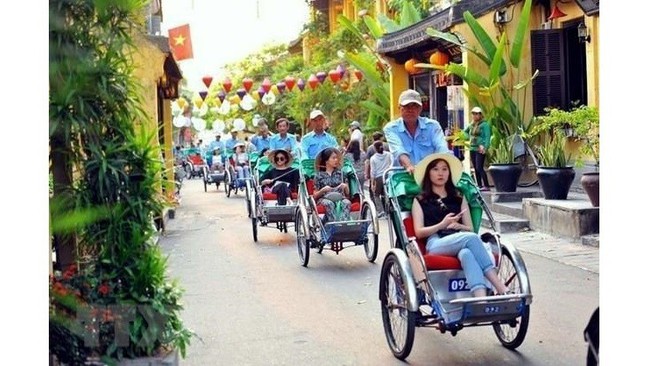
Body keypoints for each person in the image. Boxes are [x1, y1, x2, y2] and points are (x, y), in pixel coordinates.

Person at [411, 153, 509, 297]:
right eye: (435, 169)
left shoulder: (459, 197)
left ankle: (480, 298)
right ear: (428, 173)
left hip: (460, 240)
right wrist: (442, 224)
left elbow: (469, 229)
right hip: (435, 242)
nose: (440, 173)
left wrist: (458, 226)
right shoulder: (420, 200)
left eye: (445, 169)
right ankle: (499, 286)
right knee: (470, 238)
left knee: (467, 253)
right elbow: (419, 232)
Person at [383, 89, 451, 173]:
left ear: (420, 109)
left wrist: (446, 164)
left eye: (414, 106)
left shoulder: (433, 126)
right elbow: (398, 150)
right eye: (406, 106)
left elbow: (442, 148)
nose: (410, 110)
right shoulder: (391, 128)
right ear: (399, 108)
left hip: (429, 175)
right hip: (402, 175)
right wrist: (408, 166)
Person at [313, 147, 351, 223]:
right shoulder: (319, 175)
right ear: (326, 161)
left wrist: (345, 187)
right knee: (329, 203)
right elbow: (315, 195)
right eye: (333, 158)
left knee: (347, 203)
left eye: (337, 158)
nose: (336, 160)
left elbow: (347, 193)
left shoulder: (342, 174)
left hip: (340, 197)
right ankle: (333, 226)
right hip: (324, 198)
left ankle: (344, 225)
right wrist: (322, 190)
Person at [464, 106, 491, 191]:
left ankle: (486, 185)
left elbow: (487, 137)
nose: (474, 116)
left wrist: (485, 147)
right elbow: (465, 132)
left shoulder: (485, 125)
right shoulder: (471, 125)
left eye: (476, 114)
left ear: (480, 115)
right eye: (473, 114)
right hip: (472, 148)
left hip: (480, 148)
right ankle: (479, 185)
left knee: (479, 167)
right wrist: (469, 137)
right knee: (475, 167)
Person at [369, 140, 393, 218]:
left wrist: (372, 183)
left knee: (376, 195)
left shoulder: (373, 158)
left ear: (375, 149)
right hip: (388, 175)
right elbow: (391, 164)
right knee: (387, 194)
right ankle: (388, 210)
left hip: (378, 178)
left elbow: (373, 171)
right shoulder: (389, 154)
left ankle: (380, 211)